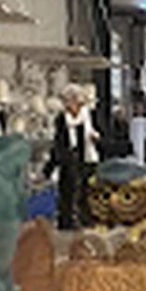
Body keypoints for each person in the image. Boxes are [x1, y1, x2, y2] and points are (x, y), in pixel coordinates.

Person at [49, 85, 98, 229]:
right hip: (69, 161)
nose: (66, 105)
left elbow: (101, 134)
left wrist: (96, 138)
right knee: (67, 193)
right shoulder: (61, 119)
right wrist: (51, 166)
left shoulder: (89, 116)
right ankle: (67, 224)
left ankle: (86, 221)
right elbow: (58, 143)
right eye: (64, 101)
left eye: (68, 101)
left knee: (86, 192)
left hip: (88, 160)